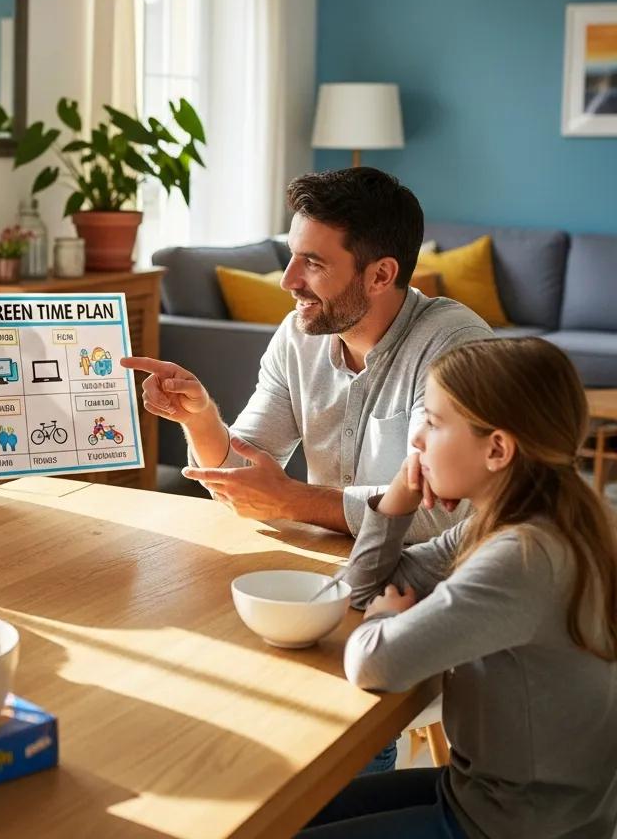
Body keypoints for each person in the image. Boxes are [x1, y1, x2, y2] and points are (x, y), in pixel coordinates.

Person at [299, 337, 617, 838]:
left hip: (509, 825)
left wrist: (385, 620)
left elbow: (373, 662)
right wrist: (398, 499)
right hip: (498, 796)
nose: (417, 440)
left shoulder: (521, 558)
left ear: (497, 449)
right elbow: (358, 590)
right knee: (296, 811)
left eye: (433, 421)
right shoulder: (536, 518)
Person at [123, 167, 492, 543]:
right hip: (338, 567)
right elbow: (246, 479)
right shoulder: (297, 337)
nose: (287, 280)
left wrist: (294, 501)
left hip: (441, 581)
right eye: (292, 256)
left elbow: (442, 515)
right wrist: (200, 419)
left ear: (380, 275)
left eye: (313, 263)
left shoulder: (456, 348)